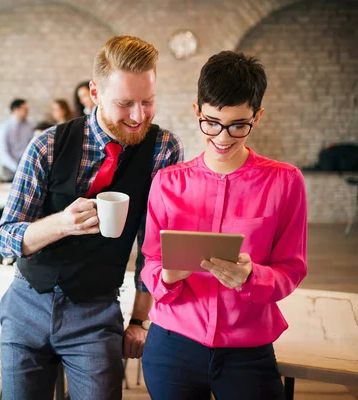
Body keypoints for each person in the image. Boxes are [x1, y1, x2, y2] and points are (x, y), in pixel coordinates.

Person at [0, 35, 183, 400]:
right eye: (125, 103)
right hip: (26, 304)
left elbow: (155, 244)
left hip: (96, 312)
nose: (138, 115)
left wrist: (140, 319)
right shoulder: (47, 145)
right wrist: (62, 223)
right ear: (94, 93)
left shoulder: (163, 148)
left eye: (148, 102)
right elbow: (4, 237)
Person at [140, 51, 308, 400]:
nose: (222, 137)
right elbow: (151, 261)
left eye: (238, 125)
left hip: (247, 351)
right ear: (197, 111)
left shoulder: (285, 182)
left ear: (257, 117)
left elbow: (292, 268)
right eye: (211, 122)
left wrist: (253, 277)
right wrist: (167, 277)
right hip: (173, 346)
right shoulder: (168, 183)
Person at [0, 99, 35, 182]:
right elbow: (3, 153)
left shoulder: (30, 126)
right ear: (16, 110)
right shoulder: (4, 128)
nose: (27, 112)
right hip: (9, 170)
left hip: (27, 169)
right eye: (25, 109)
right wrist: (17, 167)